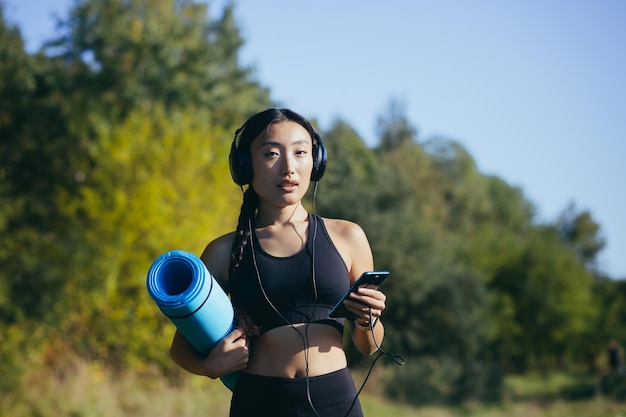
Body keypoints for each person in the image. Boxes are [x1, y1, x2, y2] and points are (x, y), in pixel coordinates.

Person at [169, 108, 387, 416]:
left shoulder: (348, 236)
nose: (289, 167)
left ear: (316, 162)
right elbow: (180, 348)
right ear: (245, 166)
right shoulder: (223, 251)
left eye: (300, 152)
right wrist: (209, 366)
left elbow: (370, 346)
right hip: (257, 403)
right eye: (272, 153)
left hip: (335, 401)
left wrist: (368, 319)